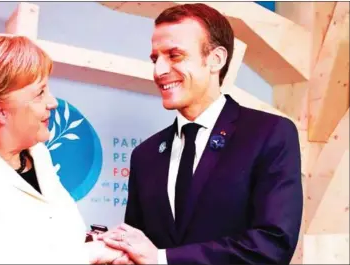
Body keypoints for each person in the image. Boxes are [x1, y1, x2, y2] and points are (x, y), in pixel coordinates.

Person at [99, 3, 303, 264]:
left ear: (216, 59)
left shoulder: (270, 134)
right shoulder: (145, 155)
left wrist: (163, 259)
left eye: (174, 55)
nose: (158, 71)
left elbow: (273, 244)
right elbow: (139, 248)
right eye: (155, 58)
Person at [0, 33, 127, 264]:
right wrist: (88, 255)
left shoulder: (39, 155)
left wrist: (103, 246)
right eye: (40, 93)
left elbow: (61, 242)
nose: (52, 102)